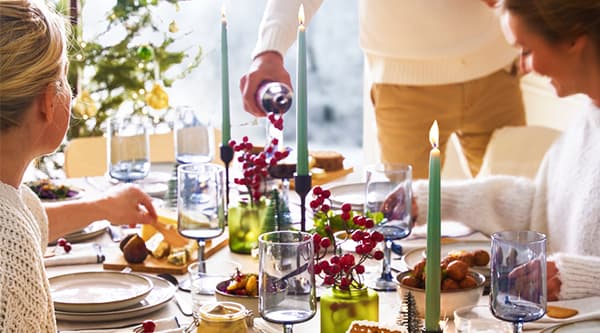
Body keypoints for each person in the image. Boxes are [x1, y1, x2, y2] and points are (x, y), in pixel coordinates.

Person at [409, 0, 600, 301]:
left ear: (574, 39)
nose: (522, 67)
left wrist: (582, 278)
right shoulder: (586, 122)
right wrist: (435, 200)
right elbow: (542, 208)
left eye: (527, 51)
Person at [0, 1, 157, 331]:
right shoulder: (10, 250)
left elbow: (33, 221)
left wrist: (102, 206)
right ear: (47, 101)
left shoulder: (10, 201)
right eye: (64, 80)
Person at [239, 0, 526, 179]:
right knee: (408, 234)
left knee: (516, 226)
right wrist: (269, 50)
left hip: (497, 71)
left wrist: (536, 32)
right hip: (405, 89)